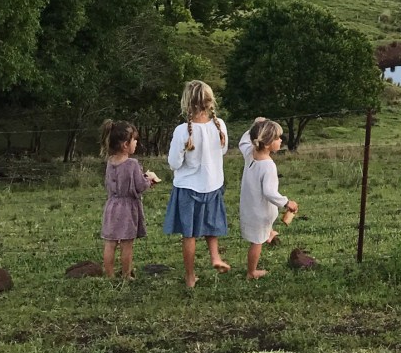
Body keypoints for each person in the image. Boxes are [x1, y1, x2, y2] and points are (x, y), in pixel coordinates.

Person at [164, 80, 231, 289]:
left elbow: (174, 163)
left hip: (188, 188)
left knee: (189, 234)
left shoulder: (182, 131)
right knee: (211, 224)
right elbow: (223, 151)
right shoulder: (219, 125)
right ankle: (215, 256)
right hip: (212, 184)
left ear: (187, 103)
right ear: (210, 102)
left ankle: (191, 276)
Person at [238, 117, 298, 280]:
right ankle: (252, 272)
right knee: (256, 243)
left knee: (265, 227)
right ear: (269, 142)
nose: (281, 140)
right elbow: (270, 192)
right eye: (278, 138)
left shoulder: (250, 154)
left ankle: (269, 234)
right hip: (260, 212)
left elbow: (243, 142)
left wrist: (254, 125)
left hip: (250, 207)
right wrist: (287, 202)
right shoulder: (268, 166)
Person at [100, 120, 158, 280]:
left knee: (110, 243)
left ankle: (110, 276)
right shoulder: (132, 164)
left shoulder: (110, 162)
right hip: (127, 209)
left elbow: (108, 183)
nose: (136, 143)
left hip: (112, 206)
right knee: (127, 244)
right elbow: (139, 185)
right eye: (134, 140)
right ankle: (126, 274)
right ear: (126, 144)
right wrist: (149, 180)